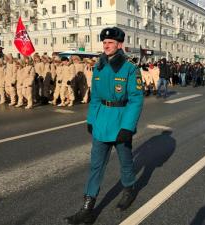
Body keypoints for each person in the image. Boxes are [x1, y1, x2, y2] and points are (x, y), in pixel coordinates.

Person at [65, 27, 144, 225]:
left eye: (110, 42)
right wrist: (91, 120)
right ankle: (87, 208)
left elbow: (136, 99)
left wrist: (128, 127)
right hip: (101, 122)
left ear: (119, 45)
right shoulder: (99, 66)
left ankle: (129, 188)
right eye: (104, 42)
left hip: (120, 121)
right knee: (96, 166)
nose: (106, 45)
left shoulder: (130, 68)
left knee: (125, 161)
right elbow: (96, 98)